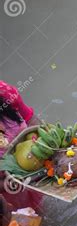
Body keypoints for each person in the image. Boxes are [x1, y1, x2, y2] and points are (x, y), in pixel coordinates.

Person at [0, 80, 42, 210]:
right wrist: (10, 183)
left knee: (35, 214)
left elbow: (31, 120)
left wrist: (46, 144)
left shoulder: (5, 93)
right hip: (4, 190)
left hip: (31, 170)